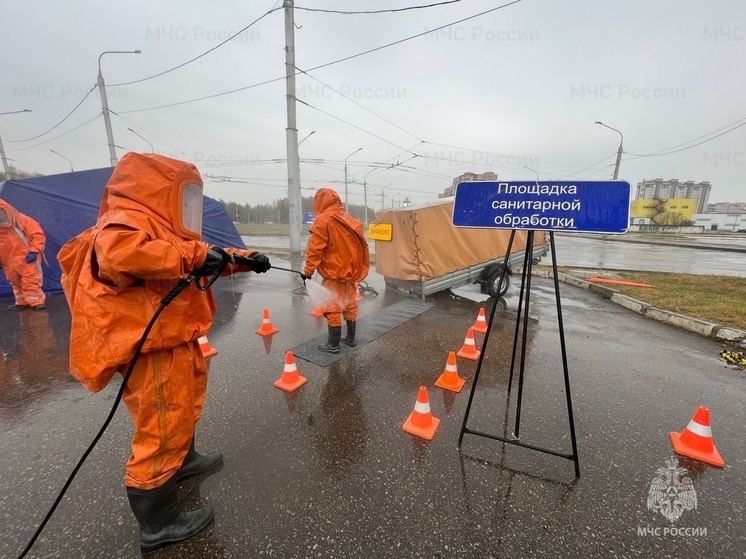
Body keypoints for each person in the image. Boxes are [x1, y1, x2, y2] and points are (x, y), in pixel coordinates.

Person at [58, 153, 271, 553]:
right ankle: (158, 522)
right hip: (153, 347)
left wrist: (242, 260)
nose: (188, 204)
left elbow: (196, 255)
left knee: (184, 406)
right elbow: (124, 254)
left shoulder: (160, 226)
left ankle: (183, 460)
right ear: (157, 189)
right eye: (183, 195)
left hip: (176, 339)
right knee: (161, 425)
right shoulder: (125, 222)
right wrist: (194, 256)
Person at [301, 187, 369, 354]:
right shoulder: (351, 220)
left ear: (319, 202)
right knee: (350, 305)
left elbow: (315, 249)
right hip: (351, 274)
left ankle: (333, 344)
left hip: (334, 273)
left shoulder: (323, 220)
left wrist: (308, 271)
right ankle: (351, 339)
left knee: (333, 307)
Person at [0, 199, 47, 311]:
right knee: (15, 282)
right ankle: (22, 302)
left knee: (31, 280)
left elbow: (38, 235)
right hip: (8, 260)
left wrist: (34, 251)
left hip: (27, 258)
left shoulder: (23, 220)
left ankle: (37, 302)